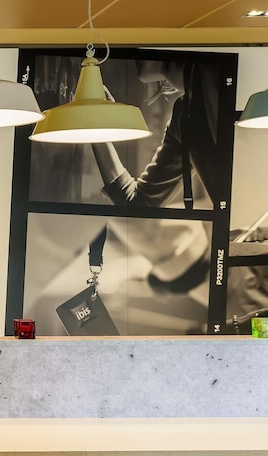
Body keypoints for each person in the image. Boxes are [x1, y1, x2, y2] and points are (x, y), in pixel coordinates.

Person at [91, 59, 222, 294]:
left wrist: (94, 122)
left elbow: (135, 206)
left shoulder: (196, 101)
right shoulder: (191, 106)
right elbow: (136, 207)